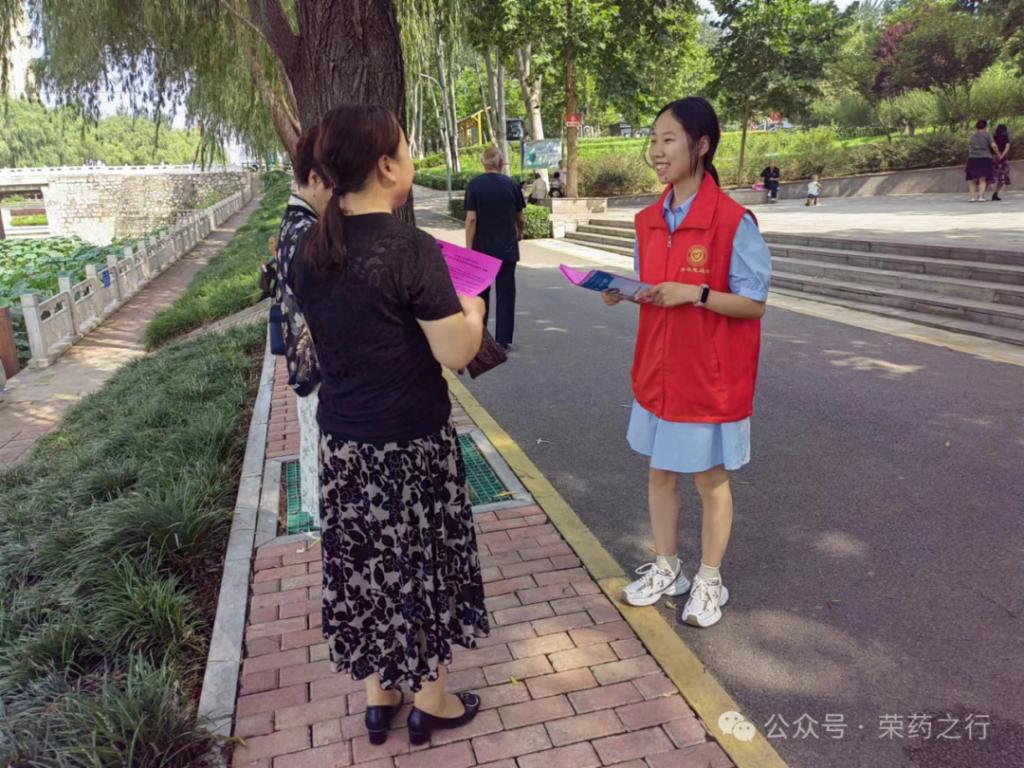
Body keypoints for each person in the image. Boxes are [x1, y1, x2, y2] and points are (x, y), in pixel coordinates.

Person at [290, 104, 489, 747]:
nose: (410, 159)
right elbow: (454, 351)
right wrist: (474, 309)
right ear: (385, 166)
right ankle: (432, 700)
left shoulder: (310, 250)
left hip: (345, 444)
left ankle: (381, 696)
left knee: (369, 562)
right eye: (405, 149)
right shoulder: (411, 249)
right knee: (419, 562)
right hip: (412, 444)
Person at [607, 96, 771, 629]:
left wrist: (695, 294)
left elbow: (754, 302)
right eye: (652, 140)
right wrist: (624, 291)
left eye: (668, 140)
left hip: (708, 379)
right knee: (659, 472)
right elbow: (652, 287)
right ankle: (667, 568)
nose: (656, 151)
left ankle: (709, 579)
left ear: (701, 145)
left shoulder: (732, 221)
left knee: (709, 480)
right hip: (657, 373)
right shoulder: (647, 220)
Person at [272, 126, 332, 524]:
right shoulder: (308, 233)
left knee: (315, 456)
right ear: (314, 178)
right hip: (318, 370)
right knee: (325, 469)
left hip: (305, 366)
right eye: (334, 185)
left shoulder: (292, 224)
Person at [463, 147, 525, 351]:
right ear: (500, 164)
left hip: (482, 250)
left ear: (483, 163)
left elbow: (471, 219)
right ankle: (503, 340)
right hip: (507, 248)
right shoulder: (512, 184)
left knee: (481, 294)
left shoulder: (474, 185)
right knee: (506, 293)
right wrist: (519, 233)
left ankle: (481, 337)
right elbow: (520, 217)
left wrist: (469, 248)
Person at [966, 119, 998, 203]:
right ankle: (980, 197)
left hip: (972, 158)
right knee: (982, 179)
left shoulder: (972, 136)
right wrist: (998, 154)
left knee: (972, 179)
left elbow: (970, 146)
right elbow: (994, 145)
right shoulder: (987, 135)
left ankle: (972, 198)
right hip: (984, 158)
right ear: (985, 126)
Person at [991, 124, 1011, 202]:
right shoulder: (1006, 138)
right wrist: (1002, 156)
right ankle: (995, 193)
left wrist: (997, 154)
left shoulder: (994, 137)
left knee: (991, 177)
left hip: (994, 158)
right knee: (1003, 178)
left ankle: (981, 194)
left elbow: (992, 147)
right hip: (1003, 159)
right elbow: (1007, 147)